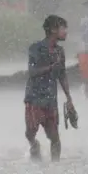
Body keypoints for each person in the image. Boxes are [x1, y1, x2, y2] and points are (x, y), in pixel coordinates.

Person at [24, 15, 76, 162]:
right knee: (30, 132)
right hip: (34, 98)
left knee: (55, 137)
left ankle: (55, 168)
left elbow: (62, 75)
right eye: (63, 28)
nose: (66, 32)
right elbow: (32, 72)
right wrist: (51, 67)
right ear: (53, 30)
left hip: (50, 99)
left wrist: (69, 98)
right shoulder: (36, 48)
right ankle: (34, 145)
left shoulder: (60, 52)